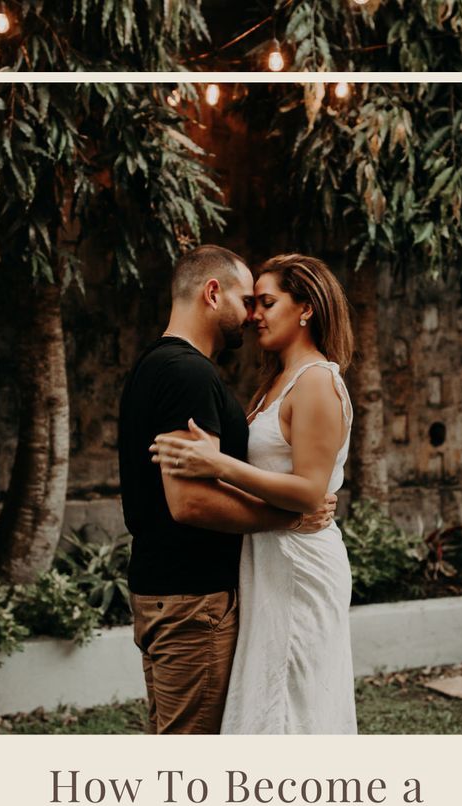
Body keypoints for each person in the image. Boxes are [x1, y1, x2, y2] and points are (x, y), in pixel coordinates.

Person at [118, 245, 336, 735]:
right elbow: (190, 500)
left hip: (167, 593)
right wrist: (291, 518)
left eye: (264, 303)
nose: (252, 315)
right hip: (193, 601)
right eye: (246, 300)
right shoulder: (187, 373)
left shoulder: (154, 366)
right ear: (212, 294)